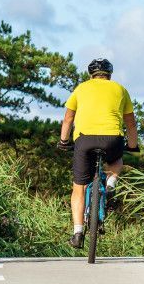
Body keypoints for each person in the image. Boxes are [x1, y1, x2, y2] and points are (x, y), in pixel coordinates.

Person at [57, 58, 139, 249]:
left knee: (79, 187)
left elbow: (68, 118)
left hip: (84, 140)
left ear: (90, 74)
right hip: (112, 138)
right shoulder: (120, 89)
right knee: (116, 160)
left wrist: (63, 141)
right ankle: (110, 183)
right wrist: (133, 145)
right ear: (109, 75)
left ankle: (78, 232)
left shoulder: (80, 88)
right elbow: (131, 123)